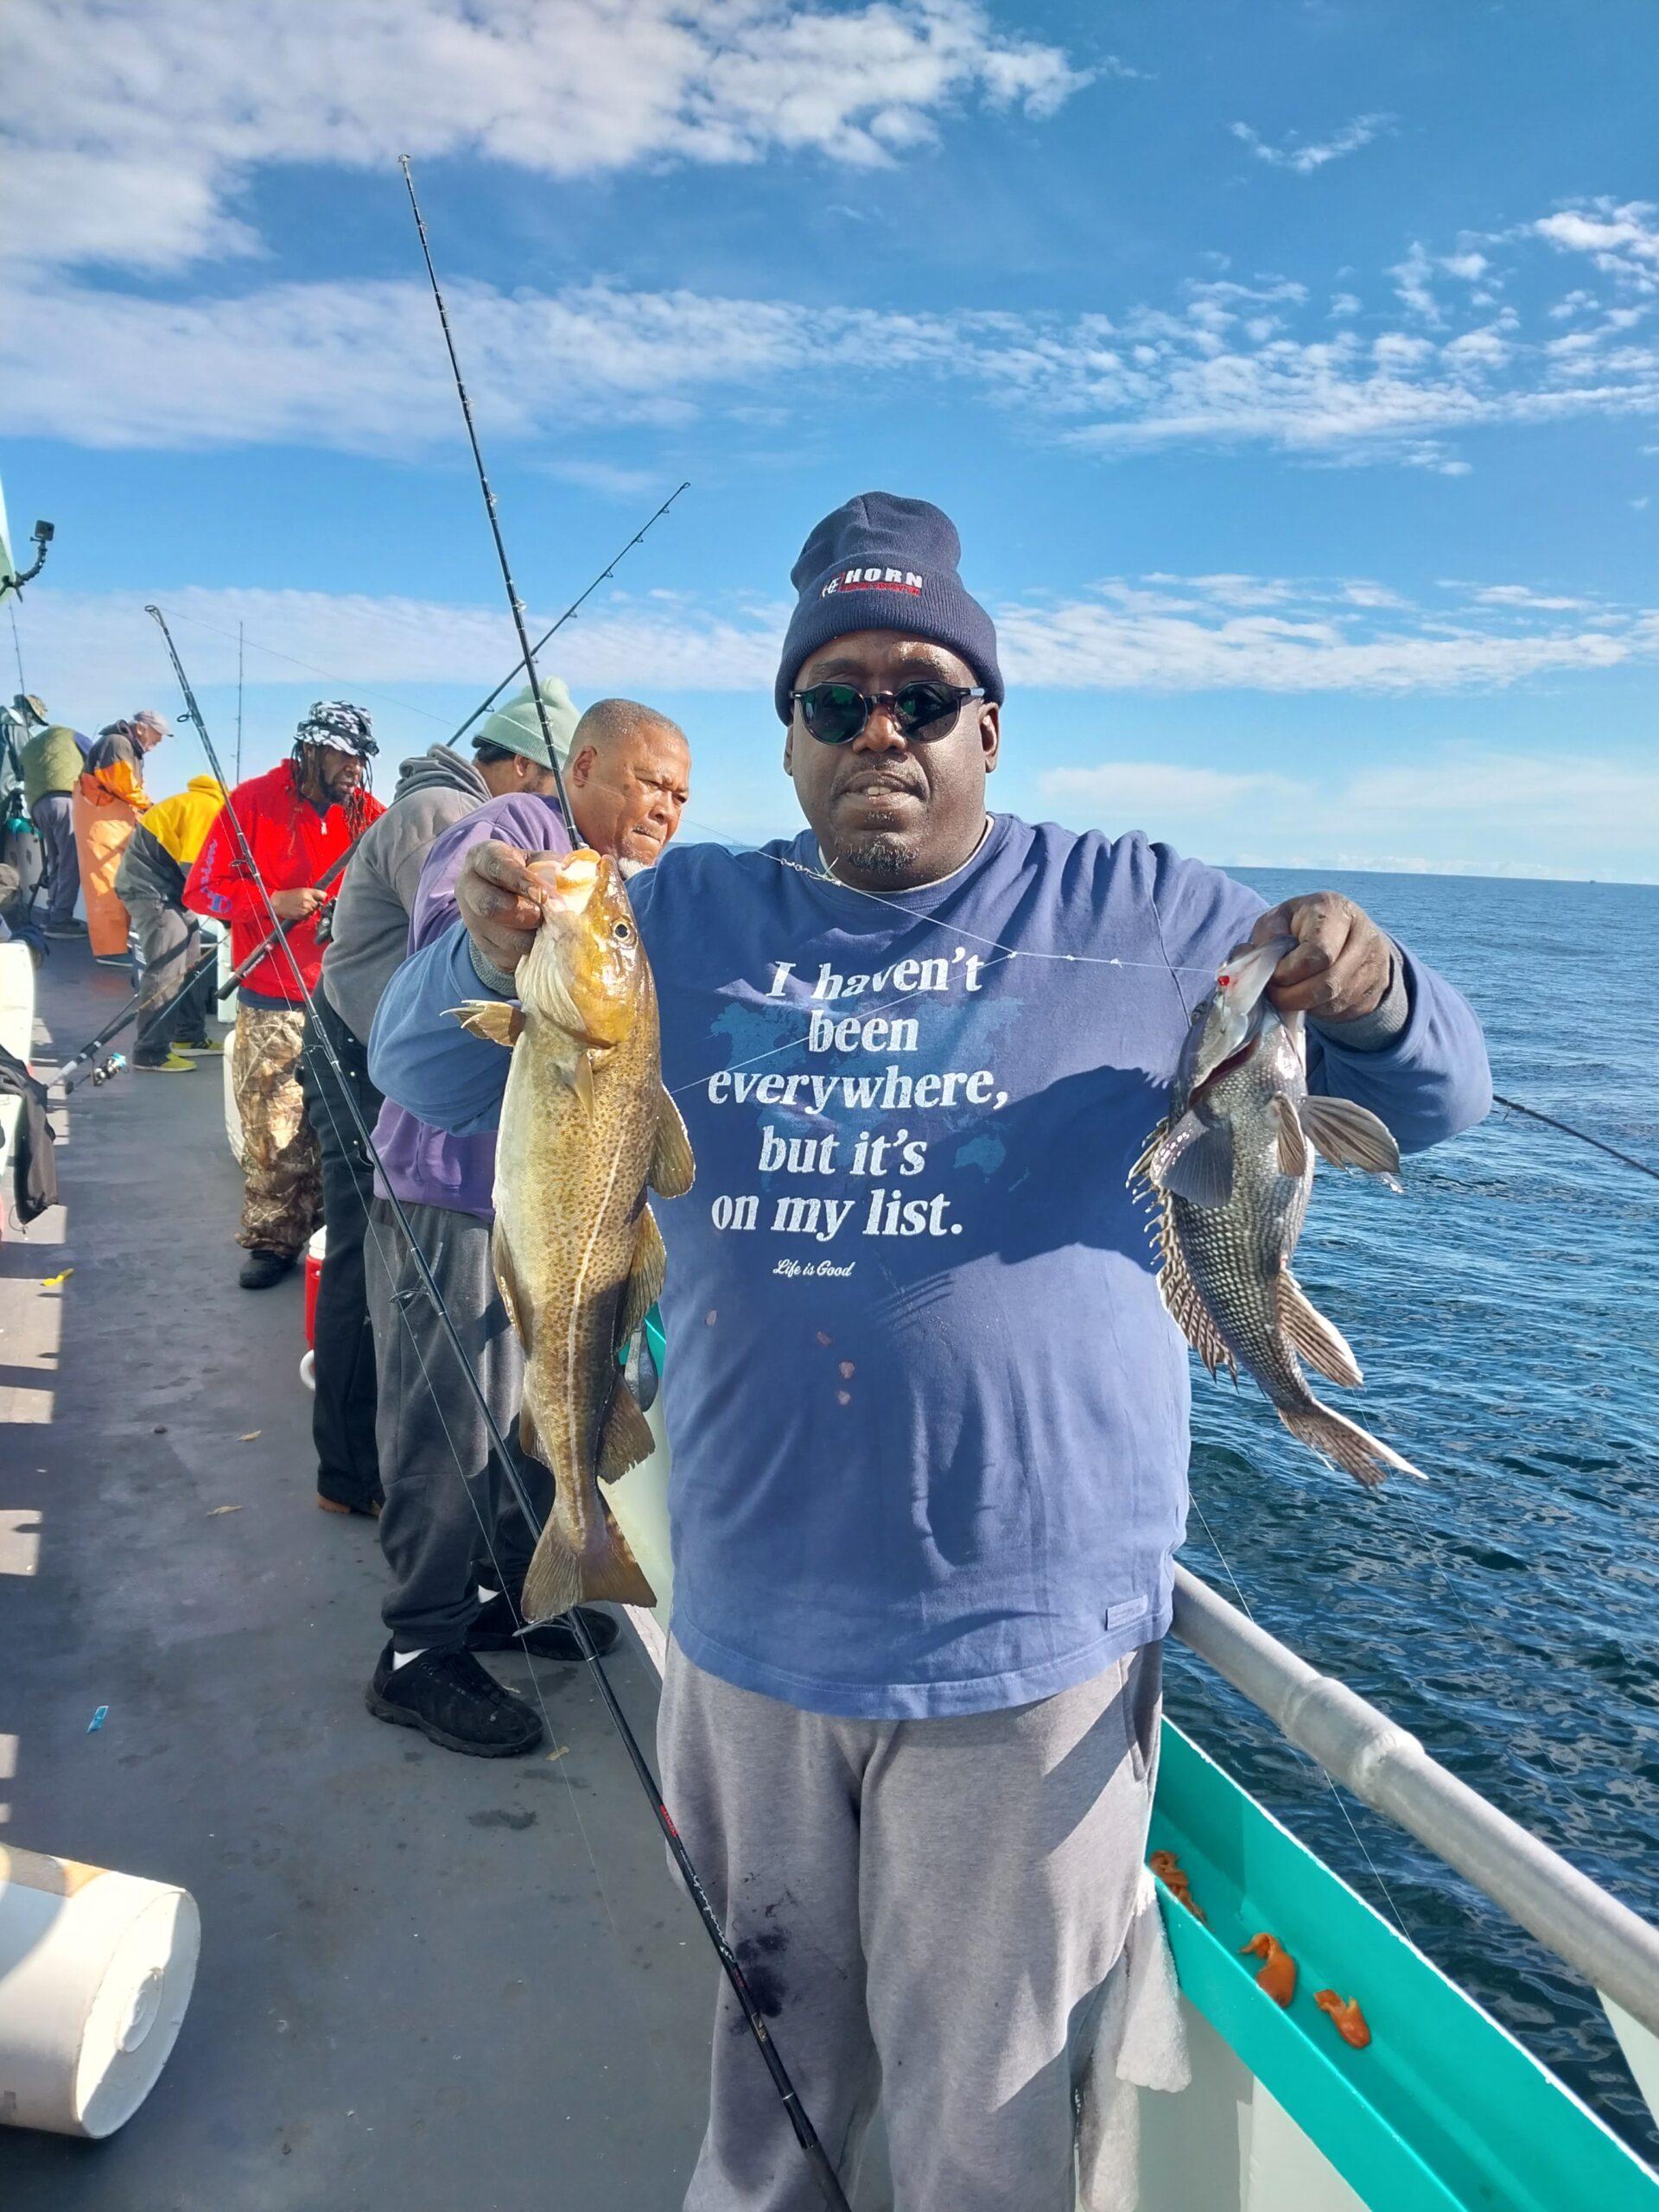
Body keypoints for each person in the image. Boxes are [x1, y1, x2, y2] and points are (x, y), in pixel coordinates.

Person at [371, 492, 1492, 2209]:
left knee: (988, 2133)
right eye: (835, 698)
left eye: (921, 694)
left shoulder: (1150, 909)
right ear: (790, 735)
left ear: (990, 721)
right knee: (769, 2101)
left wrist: (1380, 976)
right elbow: (426, 1073)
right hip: (748, 1629)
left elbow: (1440, 1094)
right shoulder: (681, 917)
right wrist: (490, 945)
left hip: (1030, 1668)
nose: (879, 729)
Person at [360, 695, 690, 1756]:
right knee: (449, 1426)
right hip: (449, 1195)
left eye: (682, 796)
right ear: (581, 766)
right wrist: (489, 939)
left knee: (532, 1412)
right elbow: (445, 939)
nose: (666, 809)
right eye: (650, 783)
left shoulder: (629, 892)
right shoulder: (517, 836)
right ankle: (418, 1647)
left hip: (566, 1218)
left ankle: (519, 1581)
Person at [303, 677, 579, 1520]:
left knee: (366, 1256)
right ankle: (351, 1472)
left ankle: (360, 1469)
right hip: (366, 1063)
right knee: (365, 1257)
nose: (556, 817)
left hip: (369, 1055)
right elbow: (453, 932)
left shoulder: (439, 804)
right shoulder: (447, 813)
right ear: (525, 767)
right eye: (559, 787)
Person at [185, 702, 384, 1289]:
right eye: (343, 755)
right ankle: (274, 1242)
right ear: (312, 750)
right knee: (273, 1134)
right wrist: (272, 902)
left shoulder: (371, 815)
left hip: (345, 999)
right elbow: (202, 890)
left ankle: (333, 1239)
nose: (354, 768)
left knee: (341, 1130)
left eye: (360, 758)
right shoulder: (250, 803)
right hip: (271, 997)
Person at [115, 774, 229, 1072]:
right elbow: (197, 873)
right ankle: (149, 1051)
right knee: (168, 967)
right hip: (150, 891)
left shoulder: (209, 806)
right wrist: (229, 918)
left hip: (172, 893)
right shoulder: (208, 809)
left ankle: (188, 1037)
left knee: (191, 960)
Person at [73, 709, 168, 963]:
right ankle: (110, 951)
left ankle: (118, 943)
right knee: (105, 887)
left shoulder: (130, 749)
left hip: (115, 824)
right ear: (141, 728)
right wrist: (152, 808)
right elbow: (122, 784)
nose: (159, 741)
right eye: (157, 735)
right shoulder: (117, 743)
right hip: (101, 823)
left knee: (119, 884)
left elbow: (130, 789)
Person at [16, 706, 86, 937]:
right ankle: (60, 919)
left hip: (38, 807)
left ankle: (51, 912)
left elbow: (19, 773)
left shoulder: (30, 746)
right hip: (64, 801)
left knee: (55, 861)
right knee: (70, 861)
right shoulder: (73, 736)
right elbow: (98, 758)